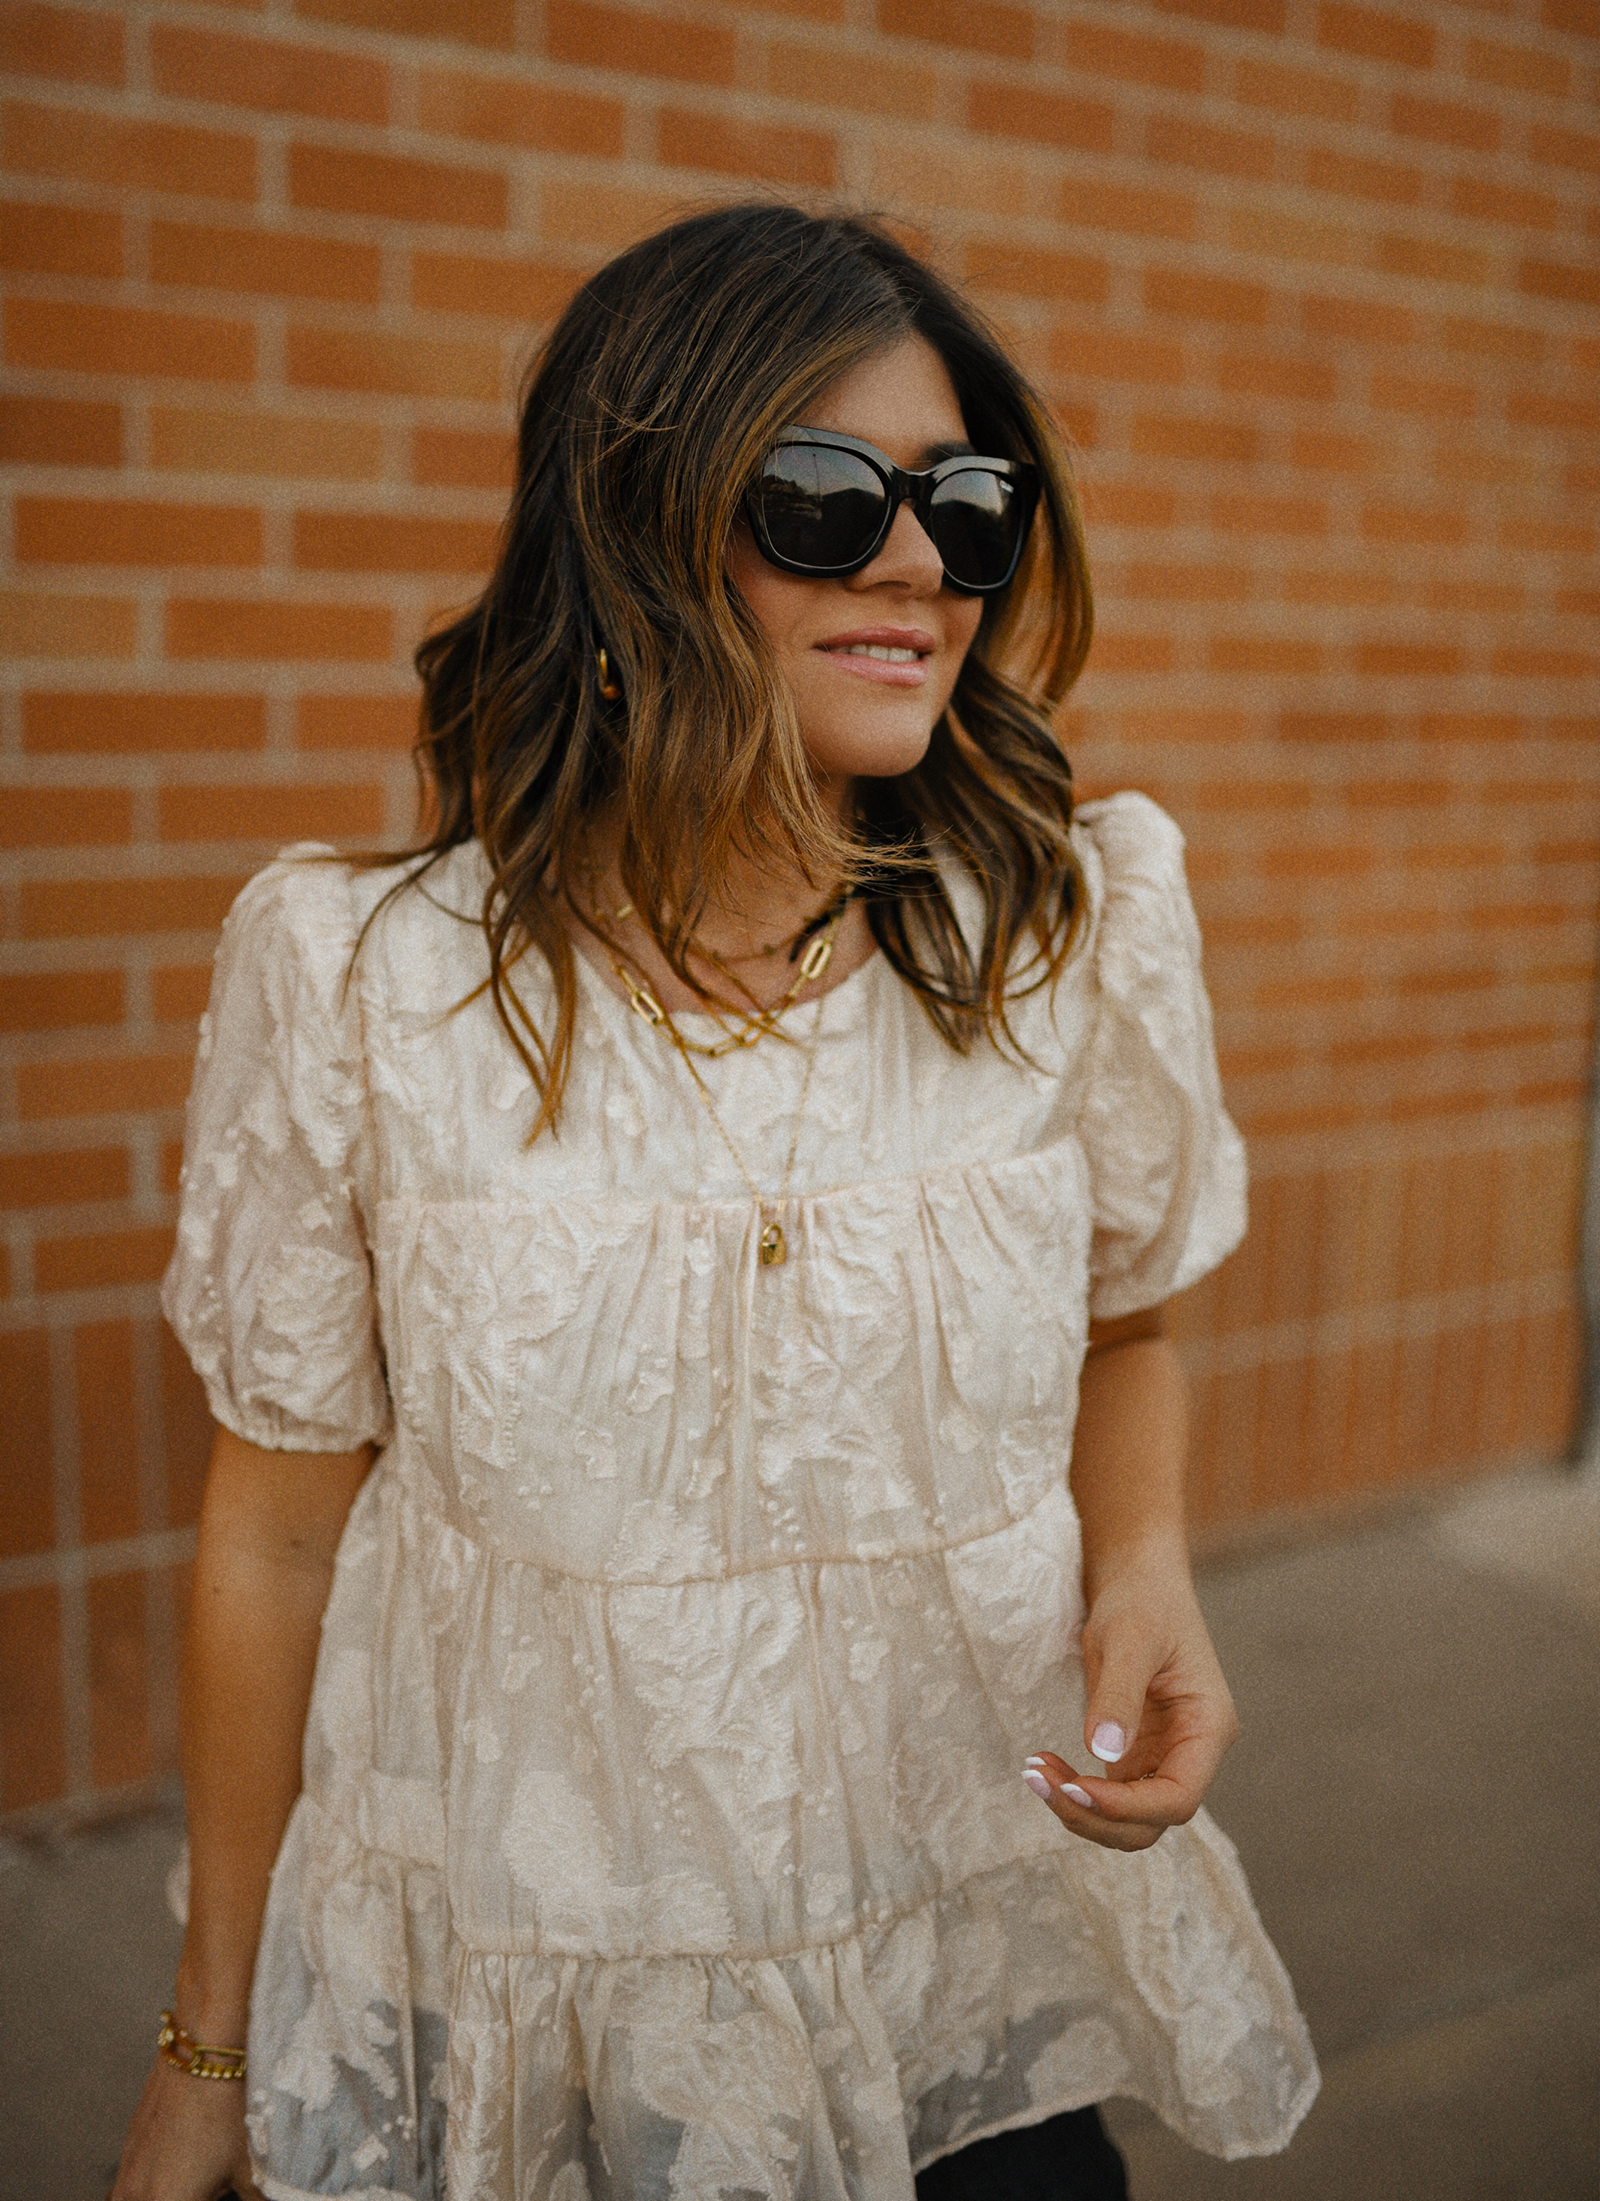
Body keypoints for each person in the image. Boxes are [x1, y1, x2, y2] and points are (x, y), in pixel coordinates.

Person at [113, 202, 1317, 2201]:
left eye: (971, 506)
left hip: (960, 1967)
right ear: (636, 528)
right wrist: (208, 2040)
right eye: (828, 497)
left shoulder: (1061, 928)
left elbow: (1129, 1319)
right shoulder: (362, 981)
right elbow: (275, 1534)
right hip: (537, 2012)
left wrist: (1147, 1567)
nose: (923, 559)